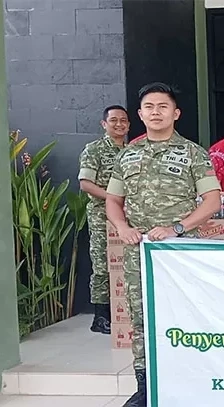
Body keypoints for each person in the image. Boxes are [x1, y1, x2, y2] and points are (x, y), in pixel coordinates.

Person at [106, 82, 222, 407]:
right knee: (141, 317)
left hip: (179, 253)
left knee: (185, 314)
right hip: (138, 253)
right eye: (149, 107)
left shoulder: (193, 153)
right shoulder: (127, 155)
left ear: (176, 113)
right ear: (140, 114)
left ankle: (189, 384)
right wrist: (122, 227)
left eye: (163, 106)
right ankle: (145, 387)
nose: (156, 112)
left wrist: (178, 228)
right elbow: (113, 200)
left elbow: (212, 201)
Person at [78, 105, 130, 335]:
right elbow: (85, 184)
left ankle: (123, 313)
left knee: (125, 263)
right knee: (102, 264)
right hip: (102, 215)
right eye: (114, 120)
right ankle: (100, 316)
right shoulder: (94, 150)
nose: (119, 124)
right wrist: (113, 199)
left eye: (123, 120)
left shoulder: (131, 151)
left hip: (128, 215)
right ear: (104, 124)